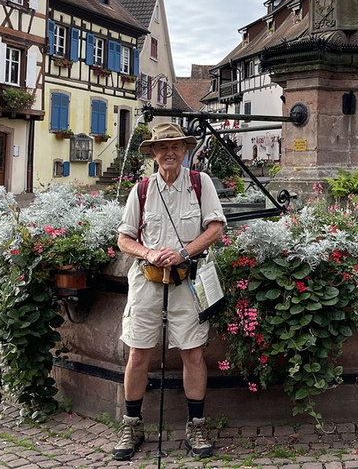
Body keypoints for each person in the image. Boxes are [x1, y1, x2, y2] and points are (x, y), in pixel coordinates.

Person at [112, 122, 226, 460]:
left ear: (185, 149)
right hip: (146, 280)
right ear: (153, 153)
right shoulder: (141, 190)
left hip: (188, 279)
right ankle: (131, 425)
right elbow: (124, 238)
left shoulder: (200, 183)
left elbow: (216, 227)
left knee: (193, 352)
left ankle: (196, 426)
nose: (170, 152)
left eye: (175, 146)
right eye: (162, 147)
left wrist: (184, 252)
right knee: (138, 352)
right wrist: (148, 253)